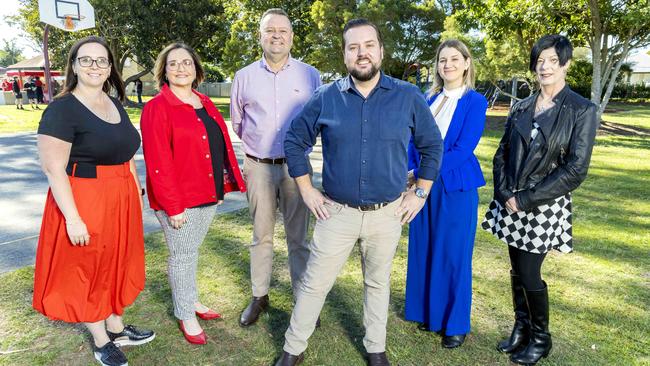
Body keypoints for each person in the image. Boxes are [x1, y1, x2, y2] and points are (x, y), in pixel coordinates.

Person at [276, 19, 443, 366]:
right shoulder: (326, 98)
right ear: (345, 55)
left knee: (378, 284)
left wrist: (421, 193)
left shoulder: (407, 96)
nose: (361, 53)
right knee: (313, 285)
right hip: (335, 213)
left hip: (388, 212)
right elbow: (294, 141)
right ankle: (293, 348)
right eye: (353, 47)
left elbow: (432, 146)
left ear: (381, 51)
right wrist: (307, 190)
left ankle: (375, 347)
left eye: (368, 45)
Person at [32, 36, 155, 366]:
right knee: (89, 266)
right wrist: (72, 218)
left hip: (121, 195)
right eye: (85, 60)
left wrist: (135, 186)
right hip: (85, 196)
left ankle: (115, 326)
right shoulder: (62, 109)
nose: (94, 66)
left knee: (117, 260)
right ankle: (101, 340)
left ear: (110, 67)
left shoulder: (114, 103)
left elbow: (127, 150)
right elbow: (53, 168)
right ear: (73, 65)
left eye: (101, 60)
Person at [481, 35, 599, 365]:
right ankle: (521, 328)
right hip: (510, 200)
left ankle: (541, 338)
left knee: (530, 272)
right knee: (517, 269)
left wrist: (526, 199)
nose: (544, 67)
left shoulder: (581, 110)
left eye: (552, 60)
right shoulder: (521, 105)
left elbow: (576, 169)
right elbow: (501, 153)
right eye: (539, 61)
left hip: (543, 204)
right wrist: (504, 193)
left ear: (566, 65)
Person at [141, 42, 246, 345]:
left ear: (196, 69)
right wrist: (173, 207)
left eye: (186, 62)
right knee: (182, 256)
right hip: (179, 201)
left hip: (208, 193)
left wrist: (222, 186)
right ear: (164, 70)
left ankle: (193, 301)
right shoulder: (156, 108)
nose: (180, 68)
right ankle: (185, 313)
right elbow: (158, 161)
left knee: (191, 251)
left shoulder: (205, 101)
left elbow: (218, 145)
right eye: (173, 63)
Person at [230, 8, 321, 327]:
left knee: (299, 238)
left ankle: (304, 299)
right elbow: (239, 124)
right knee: (261, 235)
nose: (277, 35)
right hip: (258, 166)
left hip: (297, 170)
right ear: (261, 36)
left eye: (283, 31)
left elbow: (317, 120)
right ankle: (259, 296)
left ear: (292, 37)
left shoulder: (310, 75)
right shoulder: (243, 77)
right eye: (270, 30)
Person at [404, 39, 488, 349]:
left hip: (455, 187)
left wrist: (424, 172)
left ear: (467, 63)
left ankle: (455, 324)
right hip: (423, 187)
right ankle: (430, 314)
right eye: (442, 60)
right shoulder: (428, 99)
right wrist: (415, 171)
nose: (448, 64)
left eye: (455, 59)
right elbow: (414, 142)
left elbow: (463, 149)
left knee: (453, 255)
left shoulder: (475, 102)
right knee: (425, 248)